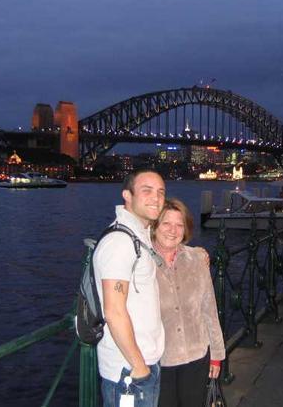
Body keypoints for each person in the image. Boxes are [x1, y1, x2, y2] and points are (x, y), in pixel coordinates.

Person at [94, 169, 166, 407]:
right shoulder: (119, 243)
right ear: (127, 195)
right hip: (129, 371)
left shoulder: (139, 235)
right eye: (147, 191)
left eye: (160, 192)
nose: (156, 198)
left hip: (141, 362)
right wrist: (139, 367)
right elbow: (113, 311)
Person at [152, 198, 226, 407]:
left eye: (179, 225)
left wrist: (217, 355)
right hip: (159, 360)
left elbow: (209, 310)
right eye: (166, 223)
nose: (172, 230)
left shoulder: (196, 259)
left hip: (197, 357)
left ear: (185, 230)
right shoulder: (141, 263)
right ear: (155, 226)